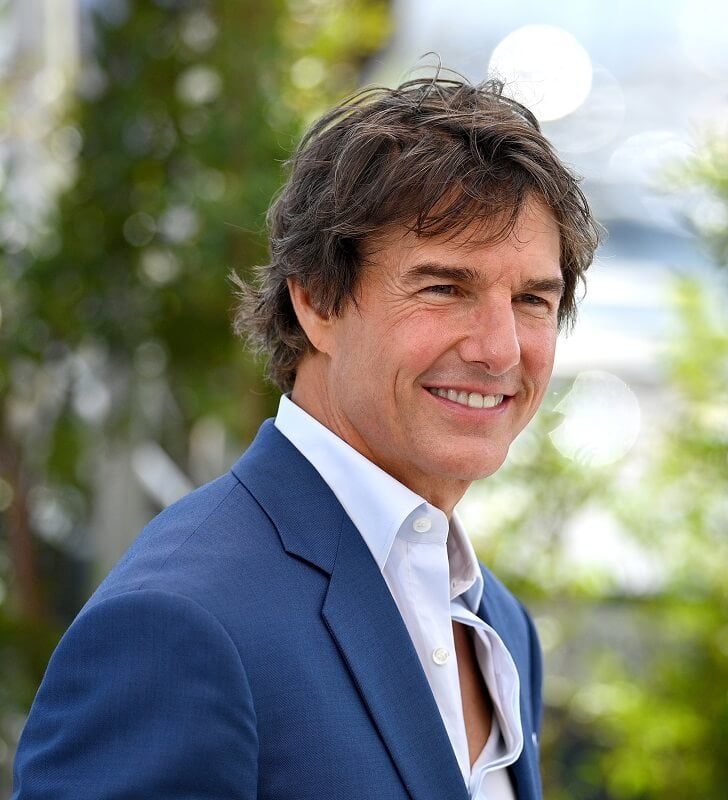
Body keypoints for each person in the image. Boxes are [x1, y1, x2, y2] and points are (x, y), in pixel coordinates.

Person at [12, 74, 602, 800]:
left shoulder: (498, 626)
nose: (500, 349)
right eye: (444, 287)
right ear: (316, 298)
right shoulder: (179, 626)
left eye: (531, 300)